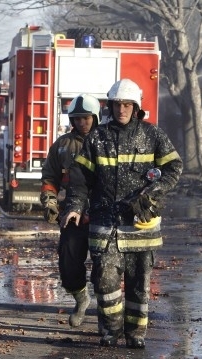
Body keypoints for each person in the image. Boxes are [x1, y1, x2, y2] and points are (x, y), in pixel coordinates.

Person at [61, 79, 183, 349]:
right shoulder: (97, 137)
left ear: (136, 107)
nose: (122, 109)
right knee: (105, 282)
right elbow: (80, 178)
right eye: (117, 104)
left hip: (141, 224)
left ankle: (136, 334)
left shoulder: (153, 135)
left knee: (139, 284)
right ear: (110, 107)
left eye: (127, 104)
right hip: (105, 224)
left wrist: (152, 193)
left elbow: (174, 167)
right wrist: (74, 207)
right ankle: (110, 331)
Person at [40, 94, 100, 328]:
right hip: (71, 216)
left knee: (104, 268)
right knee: (68, 264)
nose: (82, 123)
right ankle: (81, 299)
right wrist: (50, 201)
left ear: (95, 118)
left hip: (100, 215)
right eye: (77, 119)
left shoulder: (106, 142)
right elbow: (50, 177)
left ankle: (107, 314)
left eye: (86, 118)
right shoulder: (62, 146)